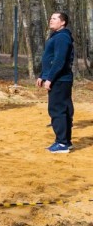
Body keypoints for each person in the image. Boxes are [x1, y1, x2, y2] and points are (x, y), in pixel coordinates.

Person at [37, 11, 74, 153]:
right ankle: (66, 142)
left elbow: (59, 61)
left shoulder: (62, 38)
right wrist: (42, 75)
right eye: (50, 18)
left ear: (62, 22)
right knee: (61, 109)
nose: (50, 20)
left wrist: (50, 78)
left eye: (54, 18)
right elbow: (50, 59)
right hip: (59, 79)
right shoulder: (56, 36)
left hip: (60, 80)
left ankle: (62, 143)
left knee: (57, 110)